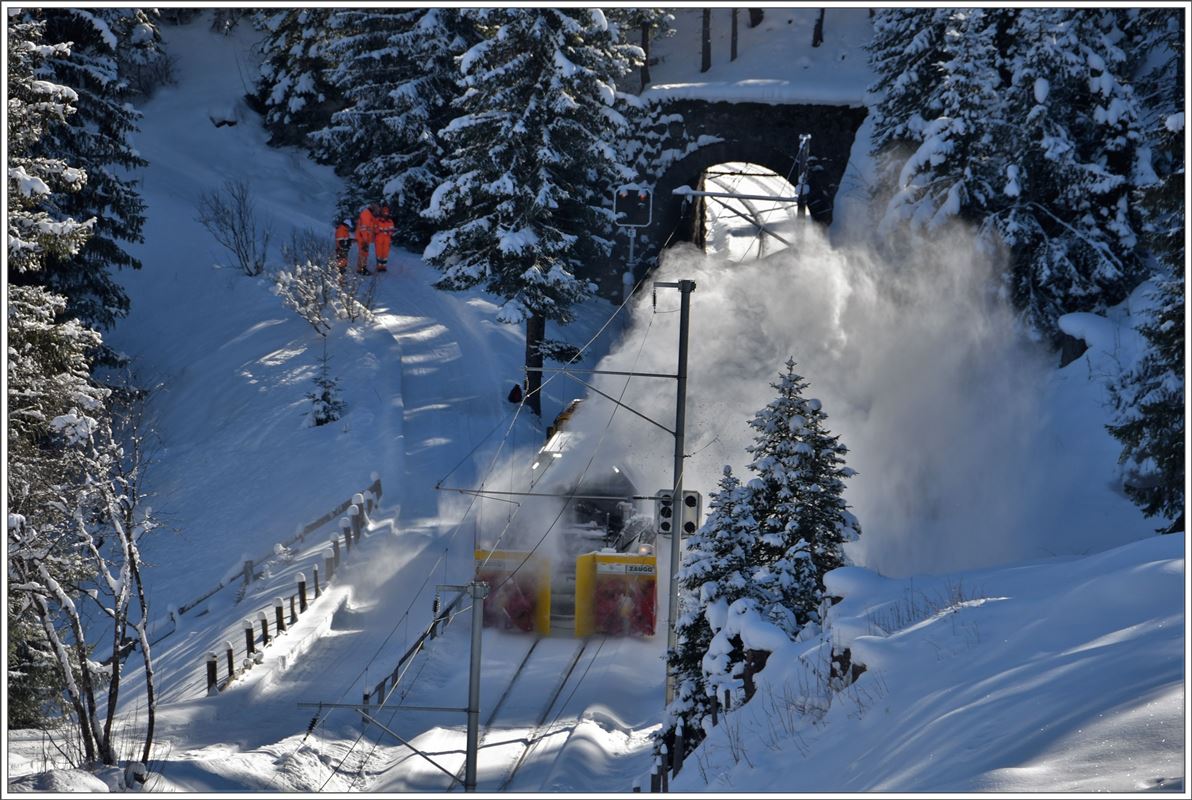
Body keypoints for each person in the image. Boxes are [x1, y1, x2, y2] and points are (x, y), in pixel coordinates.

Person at [355, 204, 377, 274]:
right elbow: (364, 229)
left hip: (364, 238)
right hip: (363, 238)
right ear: (373, 209)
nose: (377, 212)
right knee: (363, 253)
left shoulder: (369, 214)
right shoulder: (366, 214)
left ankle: (361, 268)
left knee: (364, 253)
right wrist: (365, 240)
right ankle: (361, 269)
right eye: (376, 210)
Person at [373, 205, 394, 272]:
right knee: (379, 252)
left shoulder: (390, 221)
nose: (385, 214)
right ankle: (379, 266)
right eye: (384, 213)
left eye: (386, 213)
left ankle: (384, 266)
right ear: (382, 212)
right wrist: (378, 231)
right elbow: (374, 229)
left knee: (385, 253)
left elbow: (392, 230)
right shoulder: (377, 220)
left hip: (387, 238)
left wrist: (389, 232)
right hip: (379, 238)